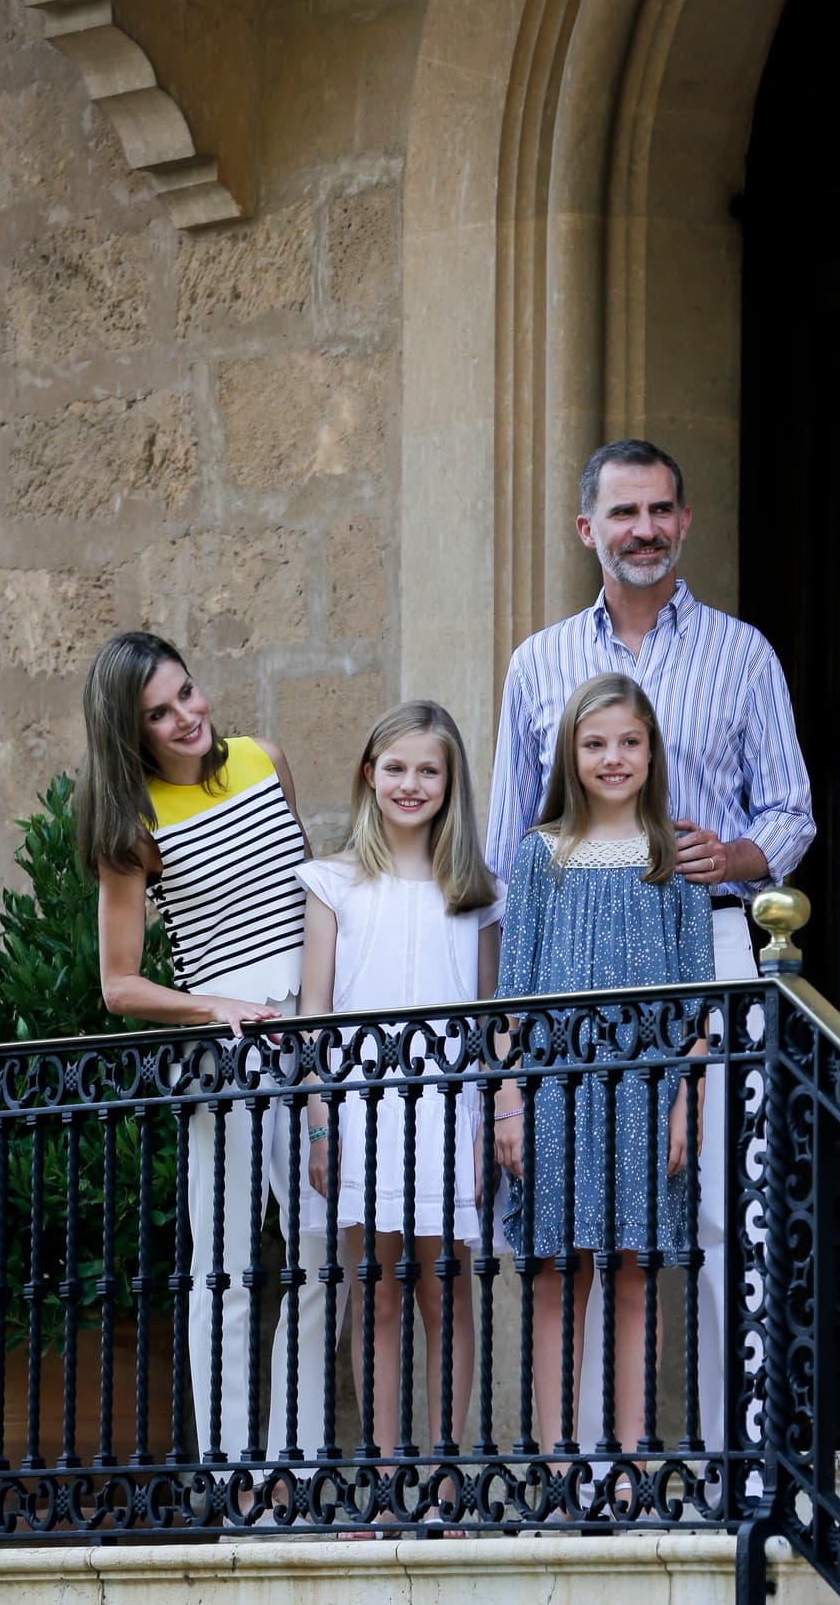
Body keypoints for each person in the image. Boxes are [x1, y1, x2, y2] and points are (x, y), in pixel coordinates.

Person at [485, 439, 815, 1450]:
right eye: (623, 512)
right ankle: (578, 1473)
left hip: (705, 951)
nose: (644, 529)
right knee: (577, 1228)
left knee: (713, 1214)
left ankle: (735, 1468)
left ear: (683, 521)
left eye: (660, 510)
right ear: (587, 529)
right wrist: (499, 1066)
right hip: (564, 973)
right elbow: (506, 857)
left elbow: (792, 810)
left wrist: (736, 853)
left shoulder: (741, 652)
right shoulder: (538, 663)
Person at [76, 629, 337, 1466]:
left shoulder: (265, 757)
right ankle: (235, 1478)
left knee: (323, 1250)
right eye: (159, 711)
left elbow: (310, 896)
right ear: (131, 731)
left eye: (187, 692)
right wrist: (210, 1002)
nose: (187, 716)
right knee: (221, 1271)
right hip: (221, 1052)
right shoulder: (135, 823)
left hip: (312, 1035)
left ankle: (294, 1467)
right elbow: (119, 985)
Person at [493, 674, 714, 1462]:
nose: (612, 758)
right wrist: (509, 1099)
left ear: (652, 751)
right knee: (557, 1274)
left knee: (634, 1273)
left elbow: (699, 1004)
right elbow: (509, 999)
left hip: (647, 1096)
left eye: (628, 742)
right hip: (554, 1092)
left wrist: (687, 1099)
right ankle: (558, 1467)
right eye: (595, 744)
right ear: (570, 754)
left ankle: (629, 1464)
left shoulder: (674, 856)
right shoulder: (538, 855)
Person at [296, 701, 504, 1487]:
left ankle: (445, 1475)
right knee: (377, 1296)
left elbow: (490, 1019)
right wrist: (319, 1117)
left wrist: (494, 1114)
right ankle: (384, 1482)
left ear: (451, 784)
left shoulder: (476, 891)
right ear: (368, 774)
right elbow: (315, 1010)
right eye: (396, 768)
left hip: (450, 1114)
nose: (411, 784)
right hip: (360, 1111)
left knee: (446, 1298)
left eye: (429, 770)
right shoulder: (334, 882)